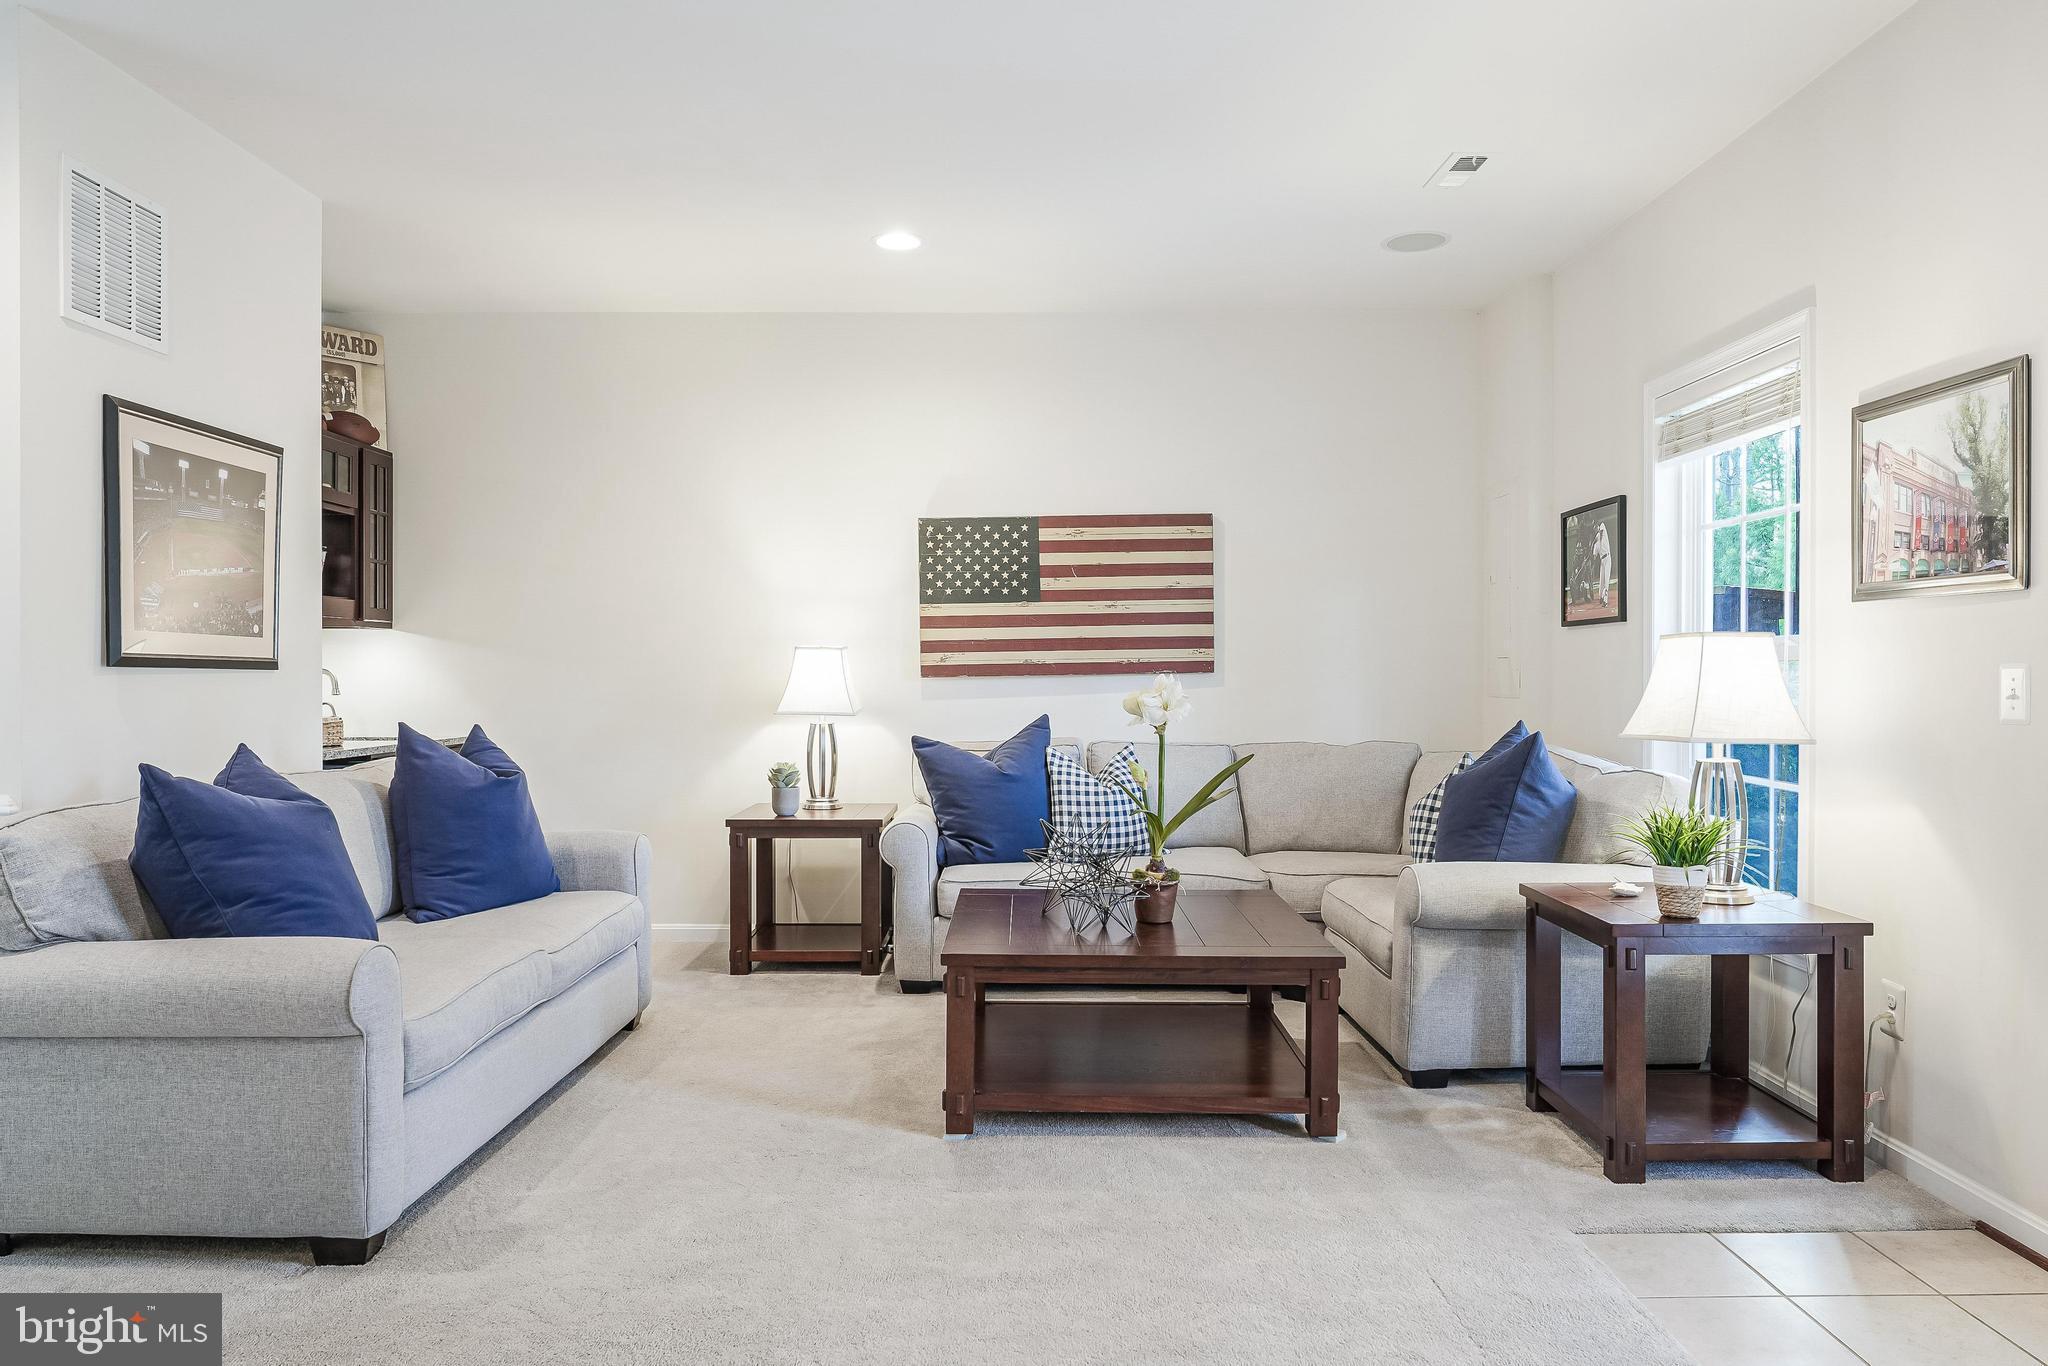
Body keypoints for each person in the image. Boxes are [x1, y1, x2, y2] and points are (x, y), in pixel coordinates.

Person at [1592, 520, 1613, 608]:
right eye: (1594, 528)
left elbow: (1601, 531)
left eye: (1595, 527)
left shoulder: (1602, 530)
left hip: (1607, 558)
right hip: (1602, 561)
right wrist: (1592, 544)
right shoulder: (1596, 542)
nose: (1595, 529)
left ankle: (1605, 600)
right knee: (1602, 580)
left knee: (1606, 581)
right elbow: (1594, 556)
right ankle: (1601, 597)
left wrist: (1596, 540)